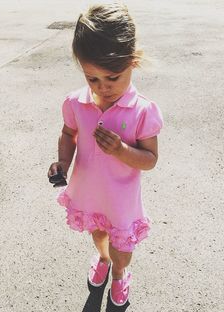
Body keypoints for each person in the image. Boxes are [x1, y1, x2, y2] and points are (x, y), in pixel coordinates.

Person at [48, 3, 163, 308]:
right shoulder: (75, 102)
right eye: (92, 78)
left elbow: (150, 159)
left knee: (122, 244)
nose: (103, 87)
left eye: (113, 77)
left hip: (121, 197)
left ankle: (121, 272)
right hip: (91, 191)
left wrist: (121, 150)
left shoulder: (142, 110)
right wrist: (63, 161)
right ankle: (102, 257)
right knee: (98, 231)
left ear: (133, 61)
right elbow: (68, 133)